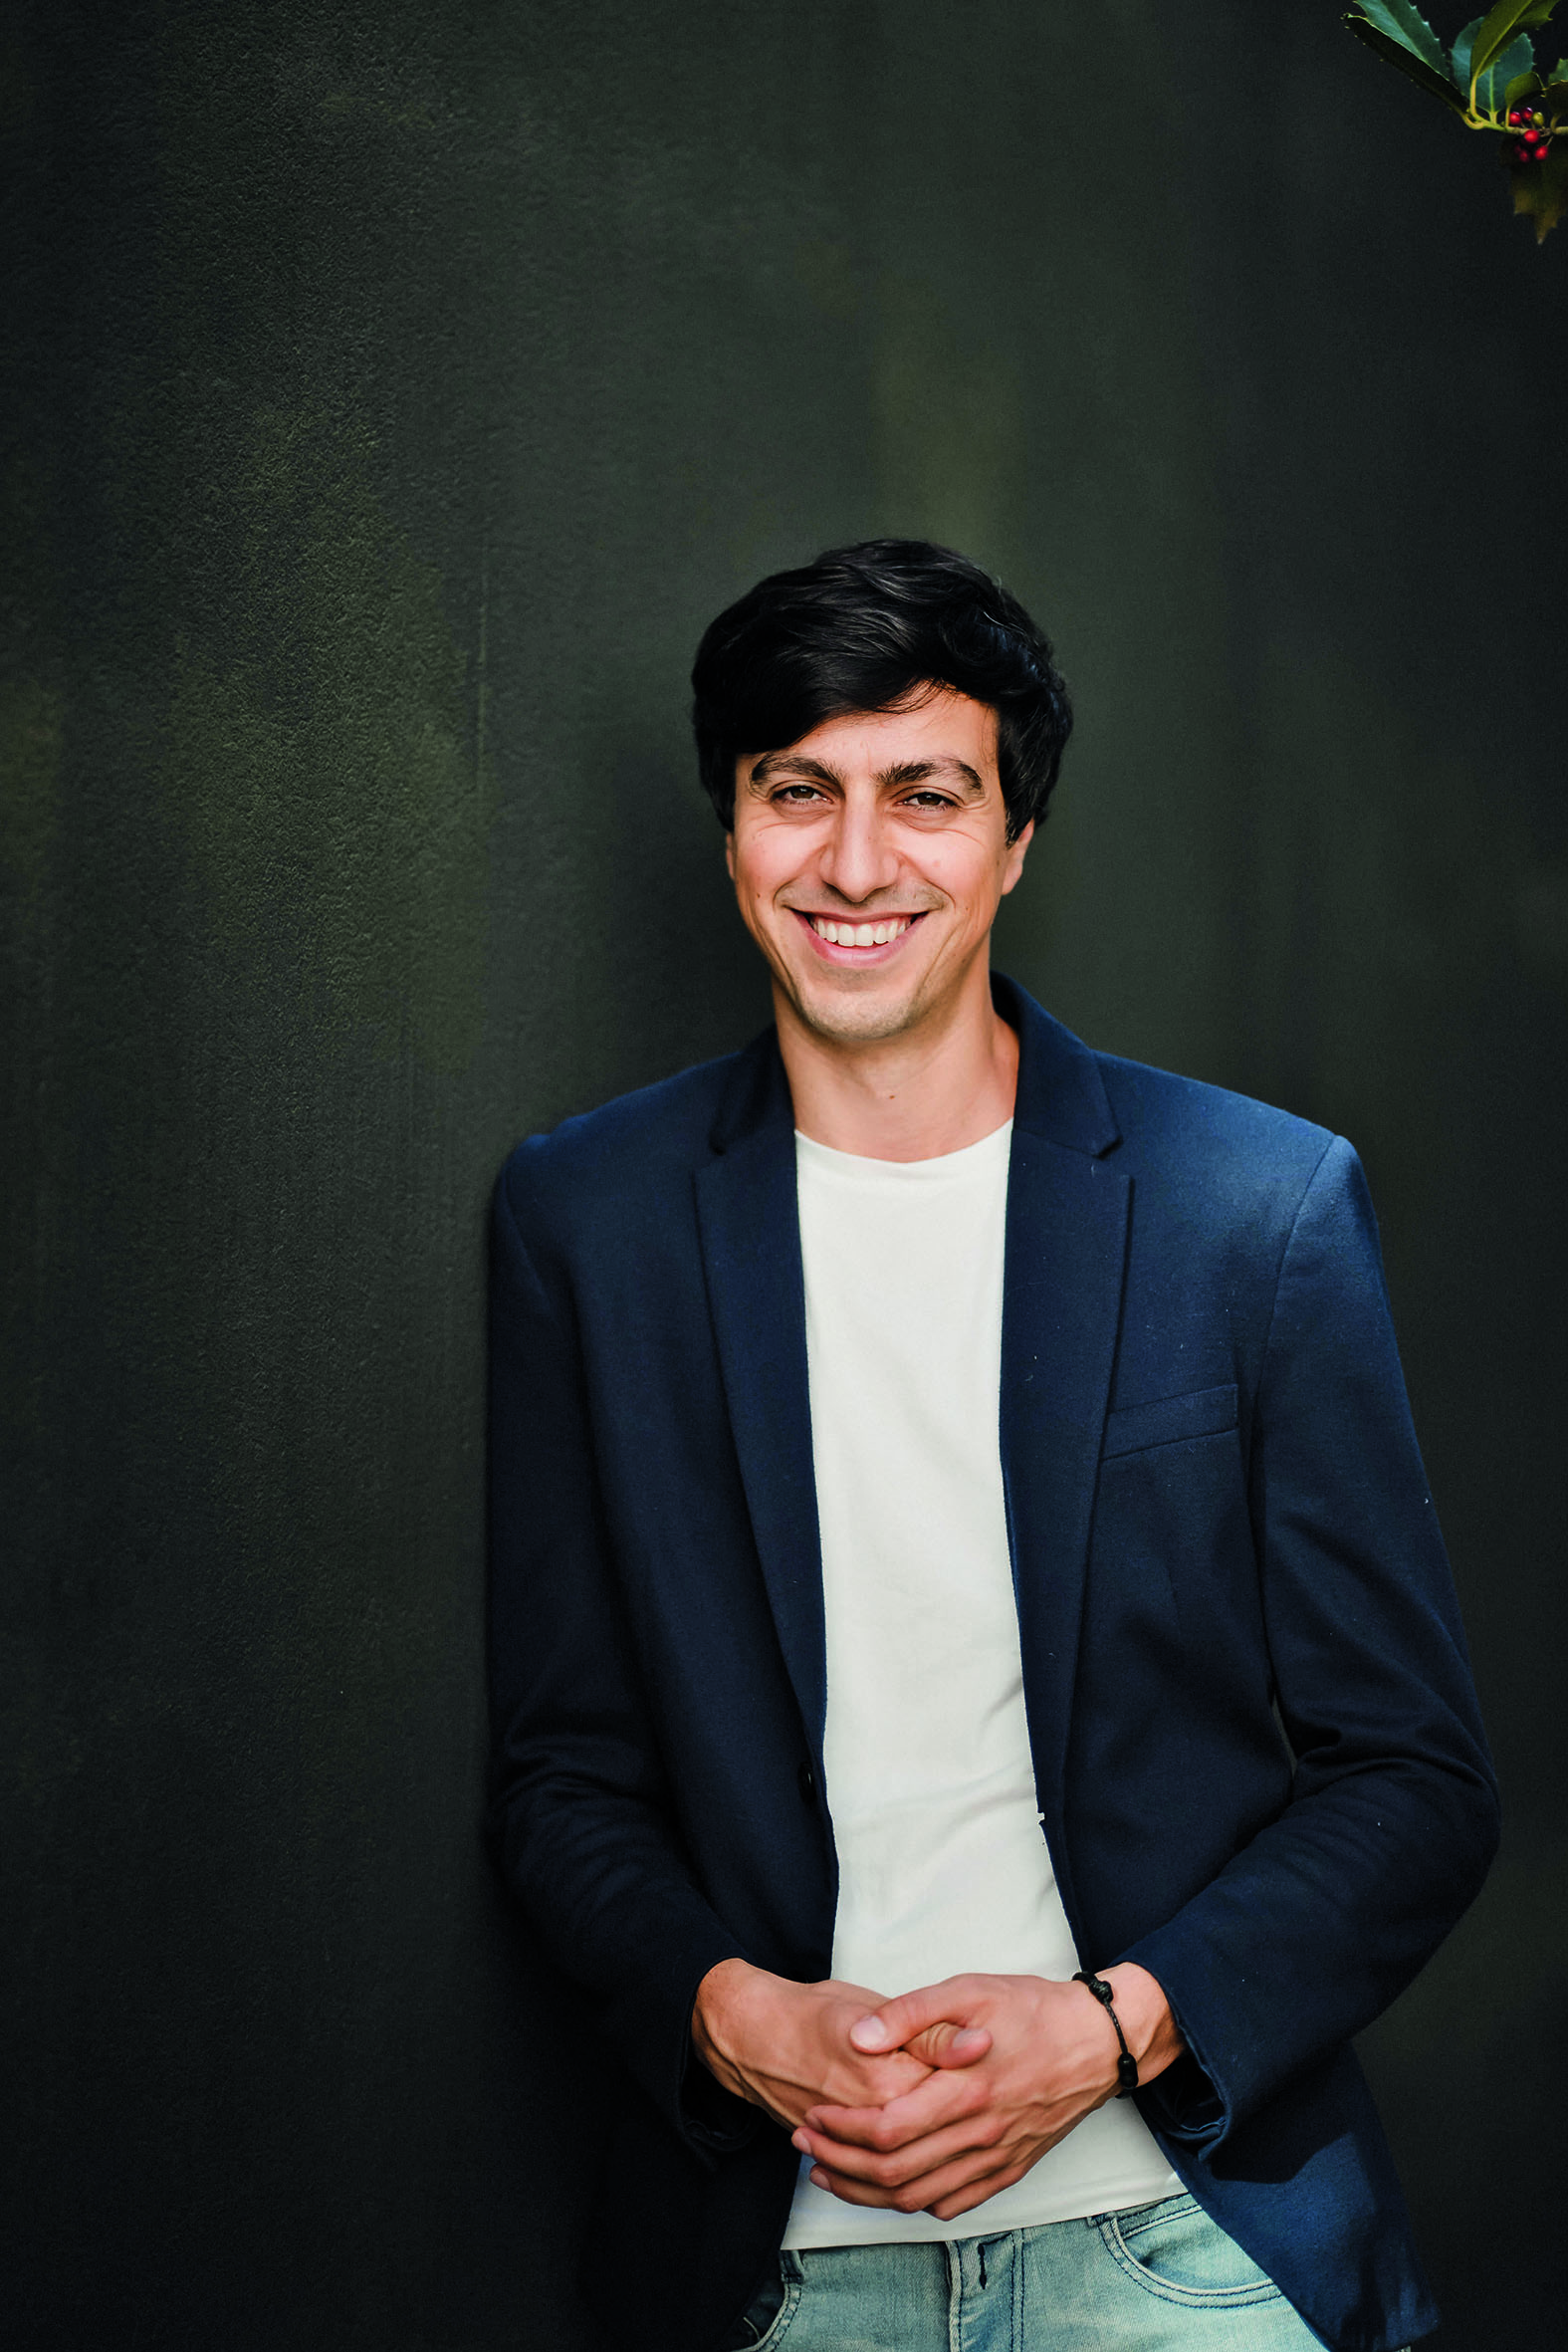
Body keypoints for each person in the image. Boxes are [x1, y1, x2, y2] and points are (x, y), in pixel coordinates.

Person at [487, 541, 1497, 2352]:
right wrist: (729, 2011)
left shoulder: (1251, 1211)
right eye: (797, 789)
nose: (856, 862)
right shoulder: (589, 1221)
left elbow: (1415, 1780)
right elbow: (563, 1774)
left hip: (1186, 2249)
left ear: (1015, 837)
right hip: (770, 2270)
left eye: (926, 795)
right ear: (731, 827)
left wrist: (1115, 2027)